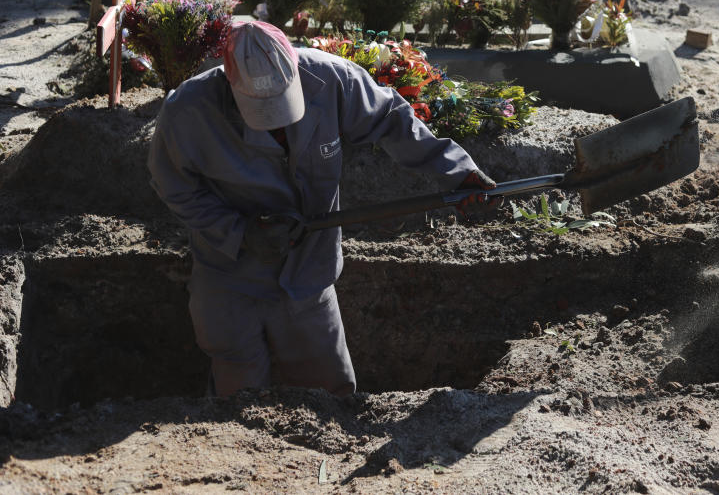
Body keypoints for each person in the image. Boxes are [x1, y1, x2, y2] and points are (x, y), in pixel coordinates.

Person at [148, 21, 496, 398]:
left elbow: (392, 120)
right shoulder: (189, 111)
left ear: (294, 66)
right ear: (230, 79)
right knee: (237, 398)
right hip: (229, 279)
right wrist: (238, 232)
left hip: (308, 274)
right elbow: (174, 186)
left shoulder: (331, 79)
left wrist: (458, 172)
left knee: (333, 395)